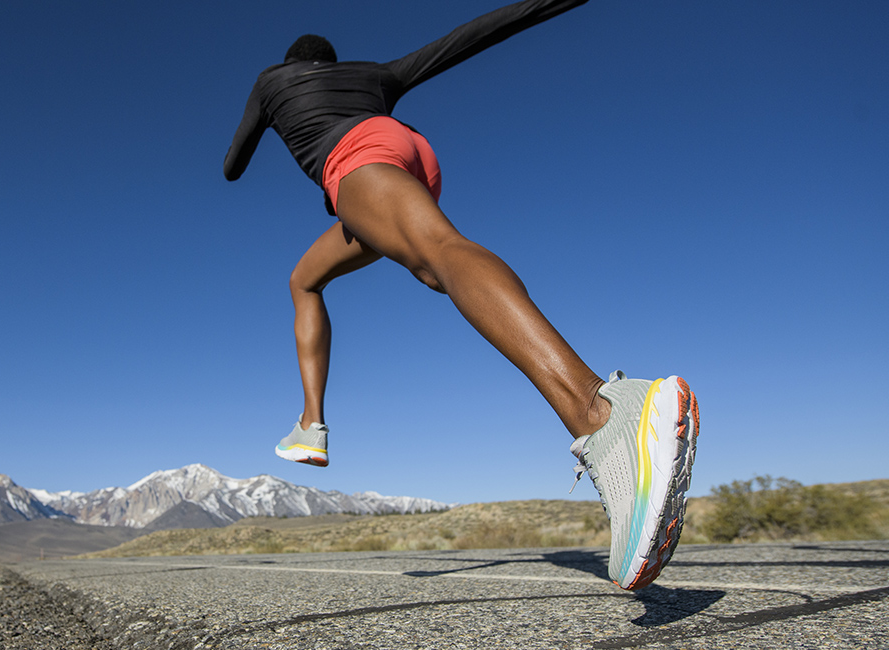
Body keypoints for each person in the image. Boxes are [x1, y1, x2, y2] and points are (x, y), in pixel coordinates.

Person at [223, 0, 699, 591]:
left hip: (356, 163)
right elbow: (464, 39)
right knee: (312, 277)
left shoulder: (273, 81)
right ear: (332, 62)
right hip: (411, 153)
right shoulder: (371, 74)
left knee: (441, 253)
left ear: (292, 64)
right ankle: (309, 426)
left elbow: (232, 164)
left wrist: (267, 119)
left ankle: (602, 411)